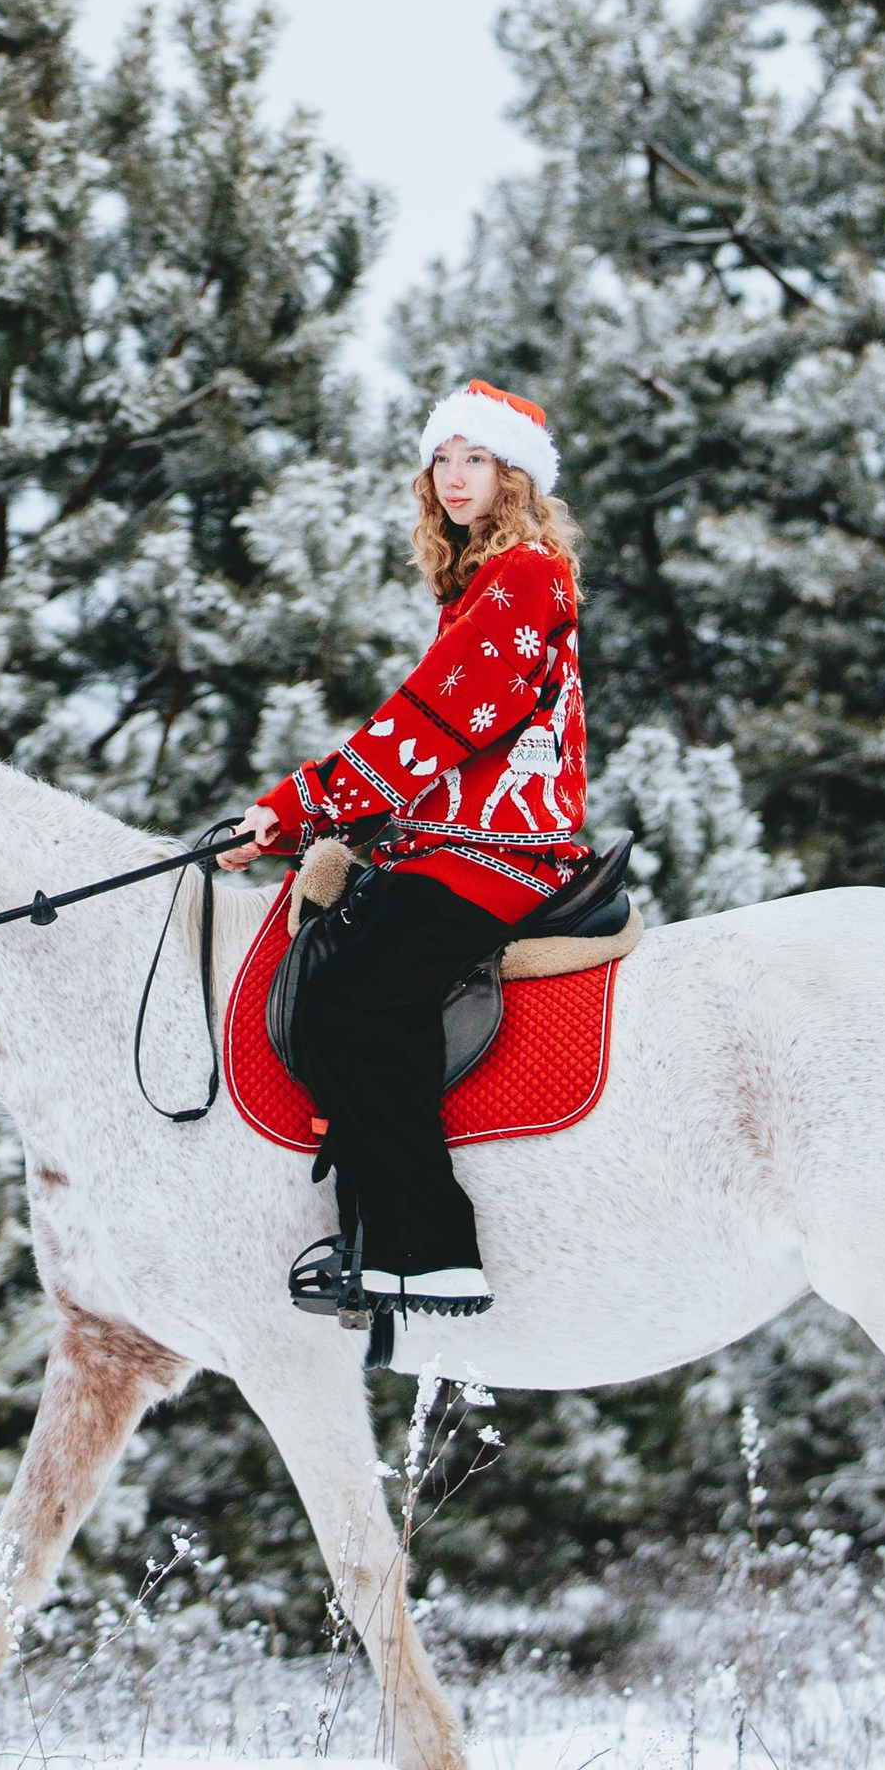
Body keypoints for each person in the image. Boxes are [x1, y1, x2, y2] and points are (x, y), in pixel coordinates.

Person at [220, 378, 588, 1315]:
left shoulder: (527, 575)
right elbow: (432, 744)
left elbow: (433, 724)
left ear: (514, 477)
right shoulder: (477, 585)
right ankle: (378, 1242)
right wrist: (299, 821)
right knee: (332, 978)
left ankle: (432, 1247)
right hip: (448, 845)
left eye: (477, 459)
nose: (455, 476)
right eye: (443, 459)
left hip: (500, 852)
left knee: (353, 999)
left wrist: (301, 806)